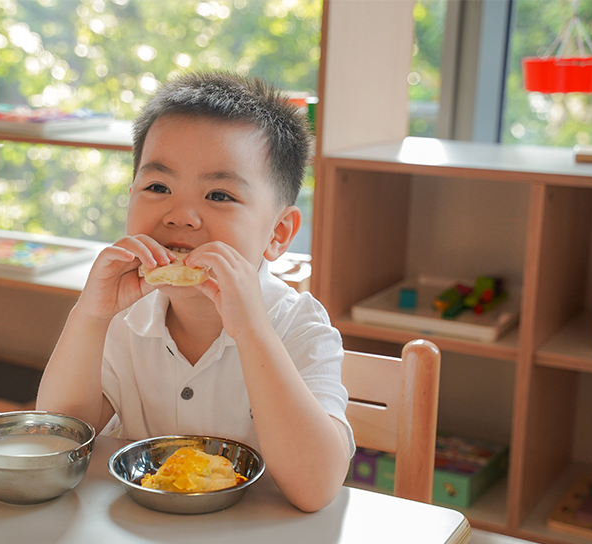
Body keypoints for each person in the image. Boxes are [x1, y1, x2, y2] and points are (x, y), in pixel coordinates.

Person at [36, 71, 354, 512]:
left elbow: (315, 489)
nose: (181, 215)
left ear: (278, 232)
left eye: (219, 195)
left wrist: (251, 329)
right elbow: (59, 439)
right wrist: (89, 316)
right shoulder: (124, 317)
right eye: (158, 187)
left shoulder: (300, 326)